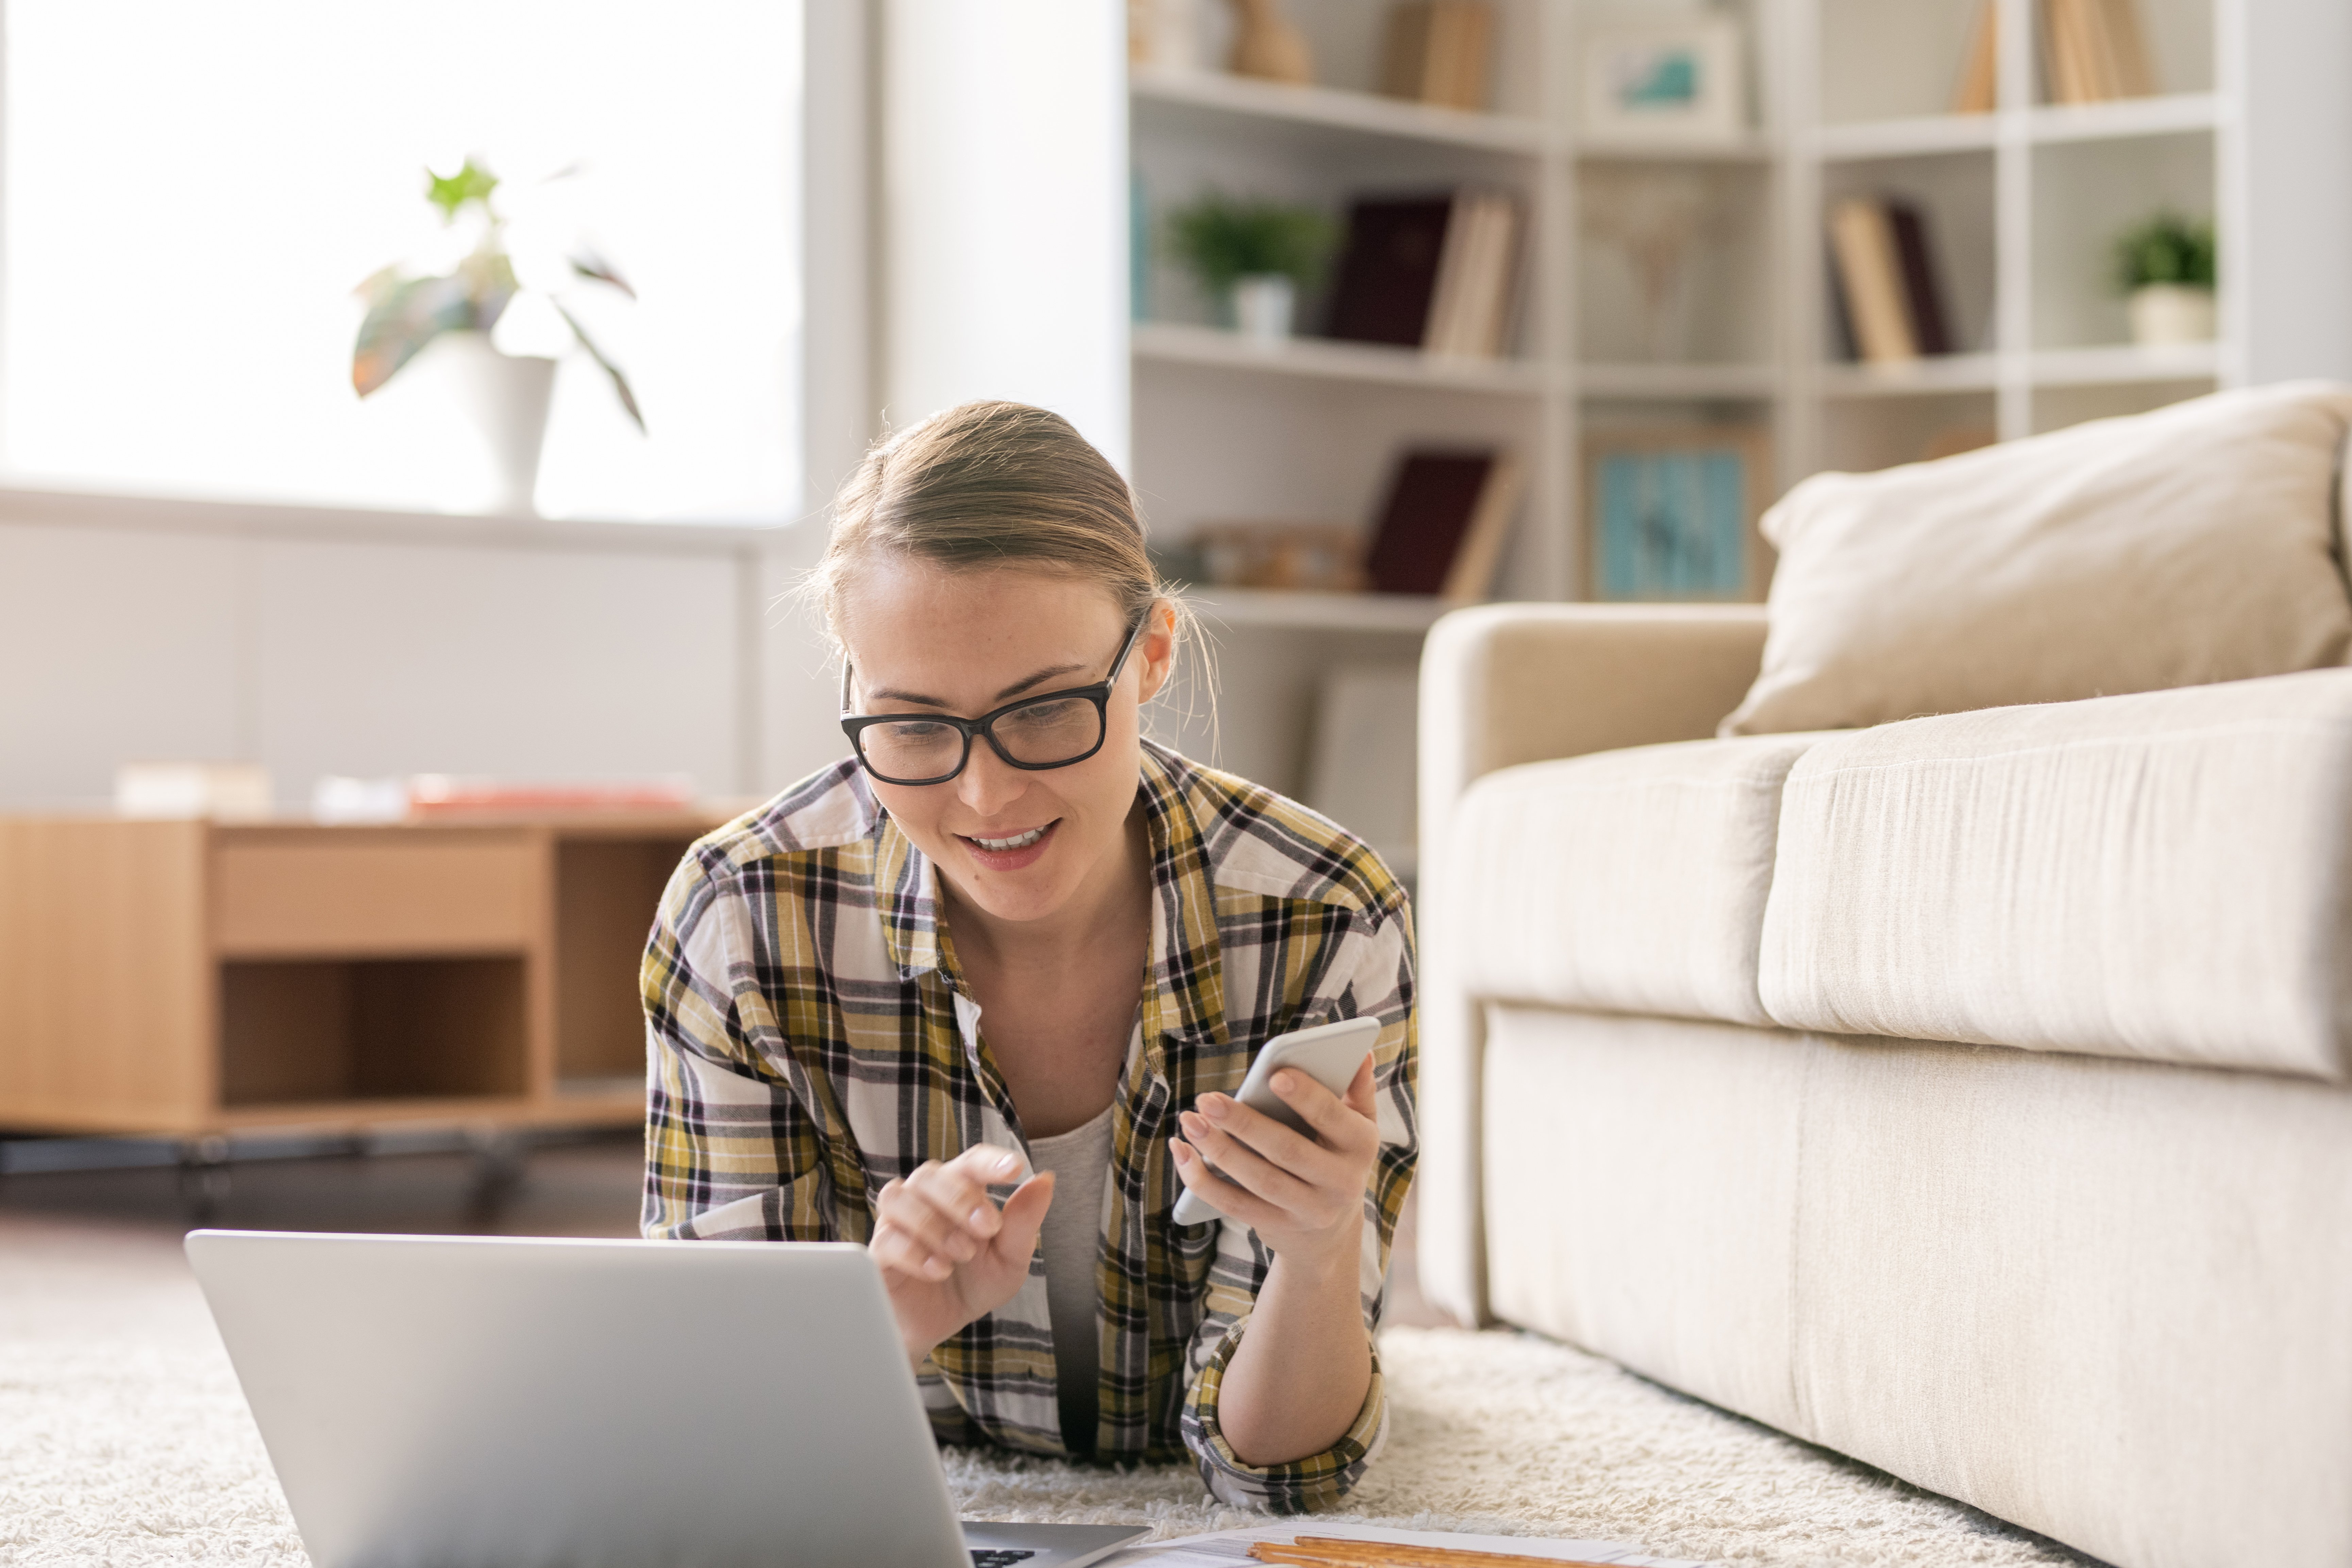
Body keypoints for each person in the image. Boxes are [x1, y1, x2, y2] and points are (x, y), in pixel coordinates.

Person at [641, 400, 1417, 1513]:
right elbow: (708, 1427)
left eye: (1046, 710)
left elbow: (1282, 1471)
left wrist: (1319, 1248)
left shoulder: (1322, 912)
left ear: (1149, 655)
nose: (984, 795)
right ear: (853, 694)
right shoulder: (739, 918)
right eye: (912, 725)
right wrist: (876, 1323)